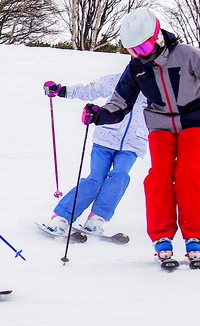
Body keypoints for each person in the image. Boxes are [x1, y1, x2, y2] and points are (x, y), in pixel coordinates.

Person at [83, 7, 200, 265]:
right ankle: (161, 236)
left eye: (142, 48)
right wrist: (98, 115)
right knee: (160, 174)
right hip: (160, 122)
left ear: (158, 37)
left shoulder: (187, 55)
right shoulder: (136, 68)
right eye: (133, 51)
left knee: (188, 171)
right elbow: (120, 103)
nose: (140, 55)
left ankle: (194, 236)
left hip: (193, 118)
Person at [40, 70, 149, 236]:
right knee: (95, 179)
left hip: (133, 143)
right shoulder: (120, 79)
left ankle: (97, 217)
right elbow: (91, 89)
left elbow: (172, 109)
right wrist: (62, 90)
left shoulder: (158, 87)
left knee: (120, 175)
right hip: (105, 138)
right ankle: (61, 216)